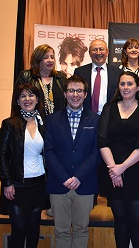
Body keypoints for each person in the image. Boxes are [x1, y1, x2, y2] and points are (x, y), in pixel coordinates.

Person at [97, 71, 139, 248]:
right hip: (112, 171)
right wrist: (113, 169)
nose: (125, 87)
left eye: (129, 84)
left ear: (138, 87)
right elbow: (102, 140)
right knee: (120, 220)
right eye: (122, 84)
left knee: (137, 220)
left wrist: (121, 168)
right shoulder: (109, 107)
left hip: (138, 171)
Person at [44, 75, 100, 248]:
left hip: (85, 184)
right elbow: (49, 152)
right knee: (61, 231)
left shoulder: (95, 120)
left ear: (85, 94)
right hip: (58, 184)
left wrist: (78, 177)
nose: (75, 95)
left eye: (79, 91)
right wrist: (64, 178)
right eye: (71, 91)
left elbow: (96, 152)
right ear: (65, 93)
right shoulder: (52, 120)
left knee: (81, 229)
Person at [0, 83, 47, 248]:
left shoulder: (43, 123)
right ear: (17, 101)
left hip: (38, 183)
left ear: (37, 99)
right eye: (23, 96)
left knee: (34, 229)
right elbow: (2, 155)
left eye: (31, 95)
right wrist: (7, 182)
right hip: (17, 184)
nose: (27, 99)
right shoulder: (9, 124)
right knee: (19, 229)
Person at [16, 44, 66, 116]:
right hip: (33, 123)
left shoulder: (61, 77)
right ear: (37, 60)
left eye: (52, 57)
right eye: (46, 58)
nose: (50, 60)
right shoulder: (26, 76)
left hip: (58, 123)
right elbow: (17, 102)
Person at [74, 39, 121, 115]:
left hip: (110, 117)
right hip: (86, 116)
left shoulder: (118, 73)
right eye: (95, 50)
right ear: (89, 53)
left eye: (101, 49)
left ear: (107, 52)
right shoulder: (80, 72)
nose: (98, 53)